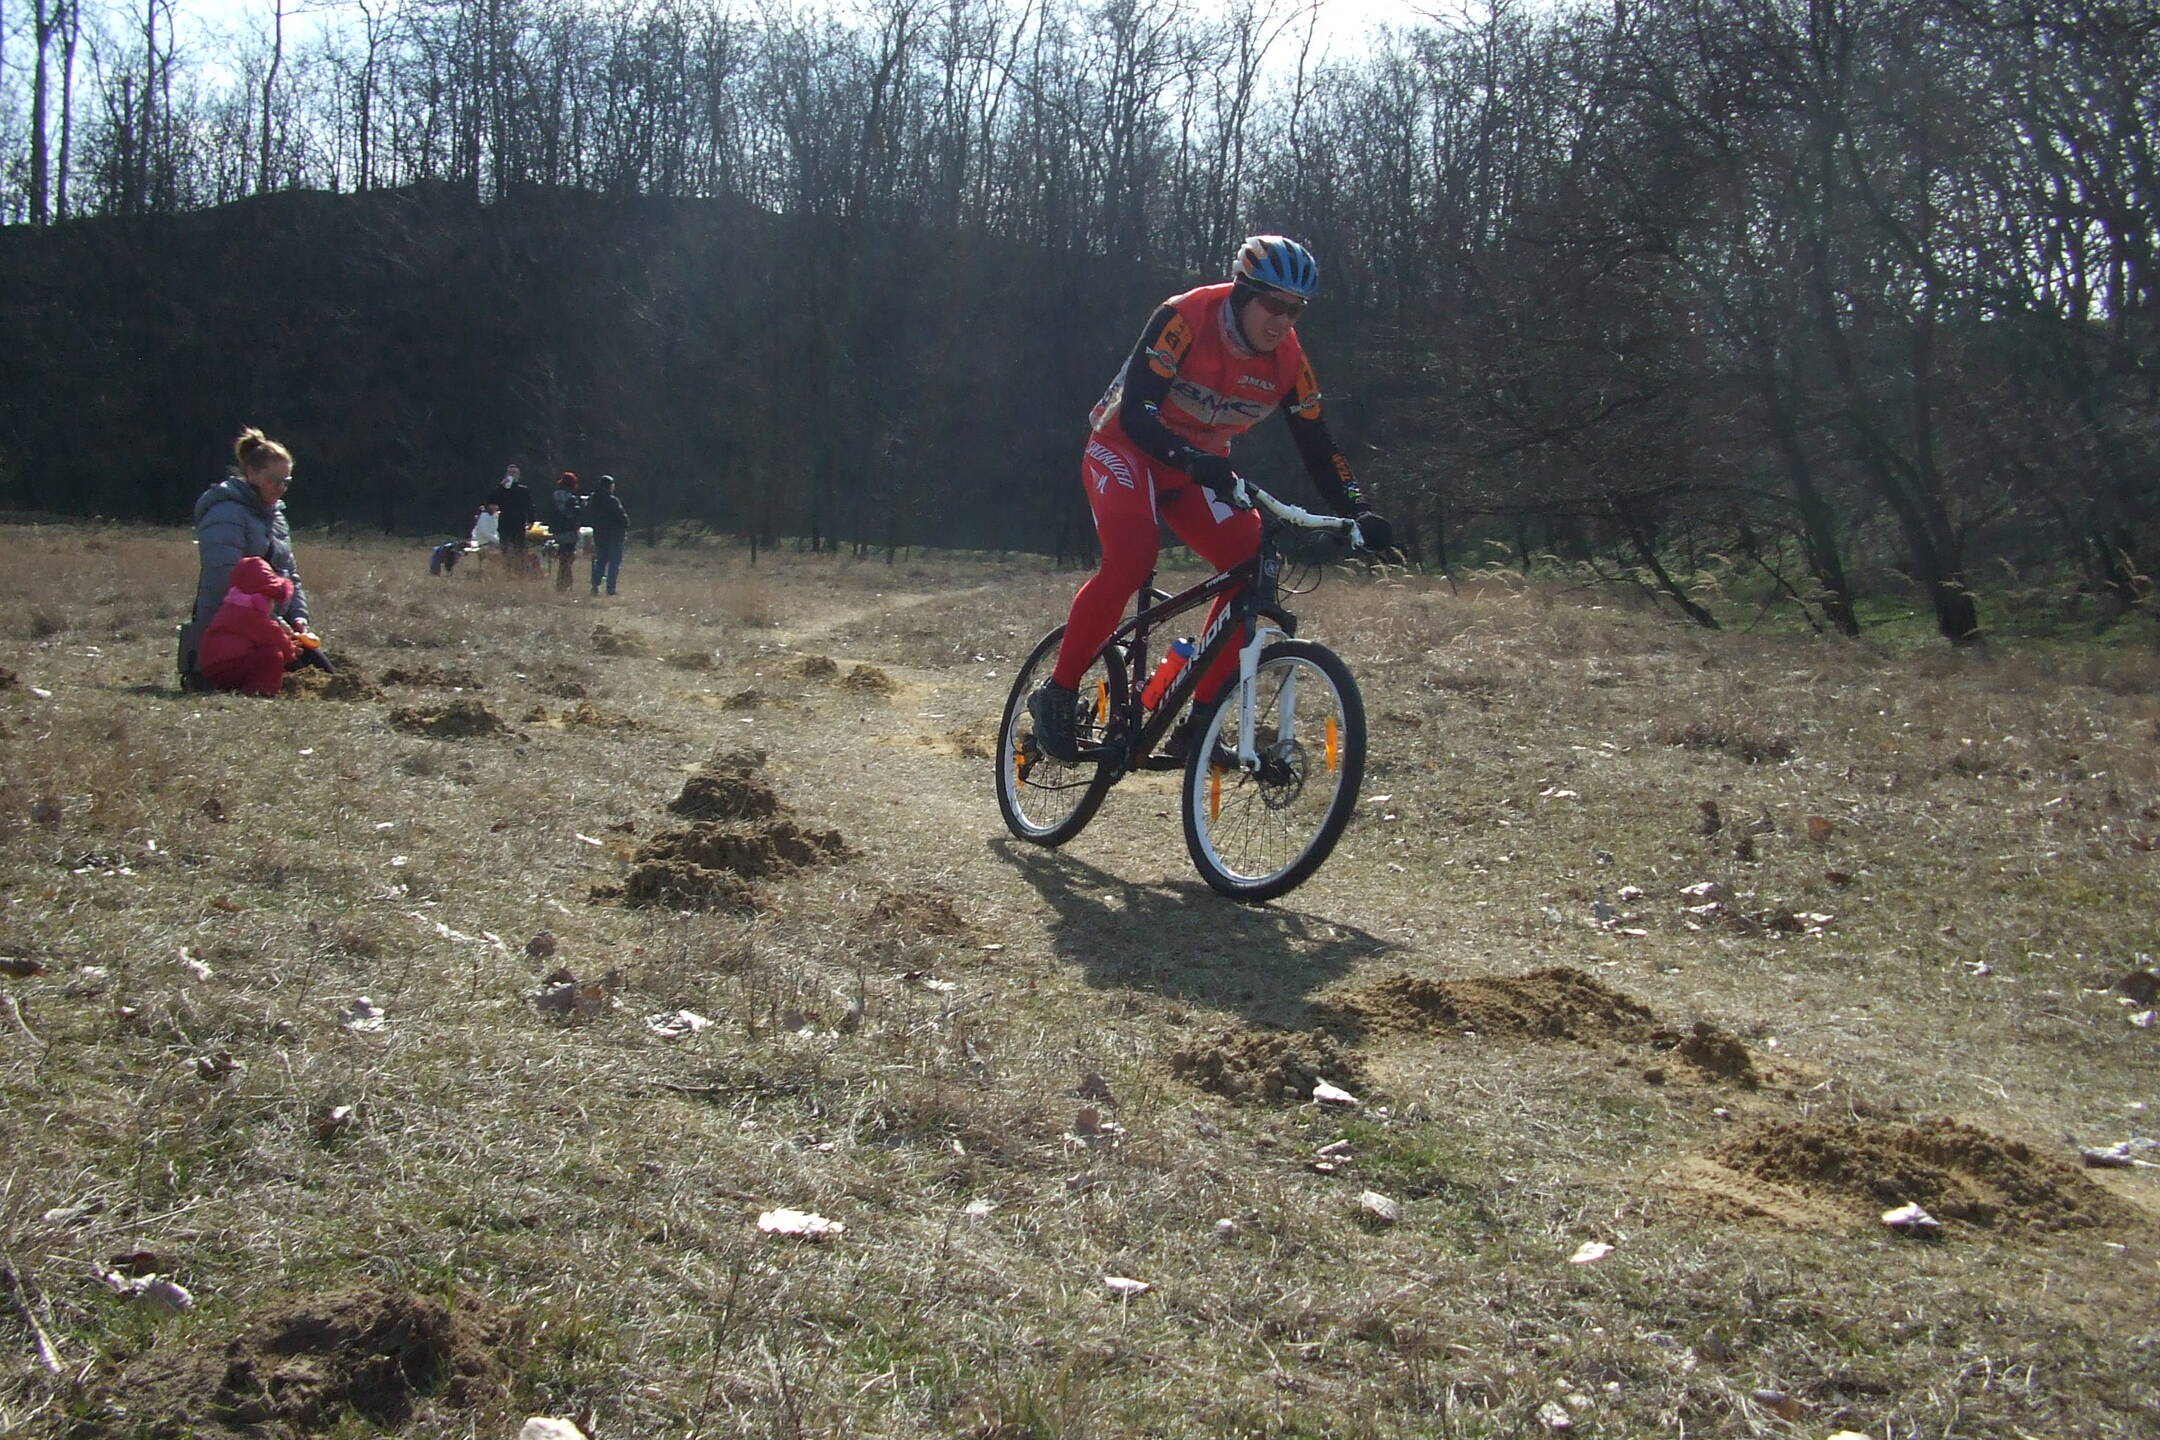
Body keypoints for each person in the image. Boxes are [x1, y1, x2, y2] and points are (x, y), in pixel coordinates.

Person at [1027, 235, 1391, 760]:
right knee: (1131, 559)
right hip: (1125, 448)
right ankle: (1058, 693)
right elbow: (1137, 411)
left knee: (1252, 564)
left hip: (1198, 468)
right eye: (1272, 305)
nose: (1282, 321)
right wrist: (1191, 459)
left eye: (1295, 310)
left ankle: (1199, 723)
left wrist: (1357, 508)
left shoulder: (1289, 360)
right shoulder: (1185, 318)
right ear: (1242, 293)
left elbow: (1318, 444)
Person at [185, 427, 310, 688]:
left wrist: (299, 618)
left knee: (318, 669)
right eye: (273, 481)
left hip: (270, 625)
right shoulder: (225, 514)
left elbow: (289, 574)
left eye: (286, 482)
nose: (280, 489)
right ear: (252, 473)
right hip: (233, 630)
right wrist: (272, 624)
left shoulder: (277, 518)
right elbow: (224, 577)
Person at [198, 557, 301, 696]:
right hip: (228, 665)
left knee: (259, 654)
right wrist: (292, 649)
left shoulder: (230, 609)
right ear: (263, 598)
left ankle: (240, 687)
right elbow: (279, 642)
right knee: (272, 655)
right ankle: (261, 690)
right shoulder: (254, 617)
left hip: (212, 667)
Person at [584, 475, 629, 596]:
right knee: (614, 562)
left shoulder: (593, 500)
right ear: (609, 486)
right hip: (614, 536)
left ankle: (595, 585)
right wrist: (625, 525)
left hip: (599, 535)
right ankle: (610, 588)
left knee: (600, 561)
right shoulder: (612, 500)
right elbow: (622, 517)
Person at [486, 463, 534, 565]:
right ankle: (507, 569)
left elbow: (529, 506)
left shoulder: (523, 490)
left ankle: (519, 569)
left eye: (514, 473)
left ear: (518, 475)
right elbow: (490, 501)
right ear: (506, 475)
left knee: (520, 550)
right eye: (510, 473)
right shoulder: (501, 490)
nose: (512, 475)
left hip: (518, 522)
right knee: (505, 550)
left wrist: (531, 520)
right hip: (505, 522)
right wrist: (501, 485)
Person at [551, 471, 583, 591]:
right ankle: (565, 584)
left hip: (557, 531)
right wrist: (580, 506)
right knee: (568, 559)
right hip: (569, 532)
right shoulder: (570, 498)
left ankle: (561, 584)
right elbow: (573, 515)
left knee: (563, 559)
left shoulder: (554, 496)